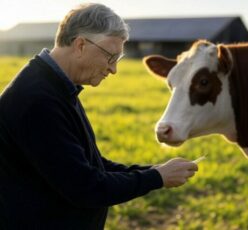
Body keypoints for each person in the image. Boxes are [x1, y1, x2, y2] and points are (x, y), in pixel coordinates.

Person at [0, 3, 198, 229]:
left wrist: (154, 171)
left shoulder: (56, 86)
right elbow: (86, 187)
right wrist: (157, 177)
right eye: (110, 57)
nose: (113, 69)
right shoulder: (37, 100)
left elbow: (92, 164)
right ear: (81, 45)